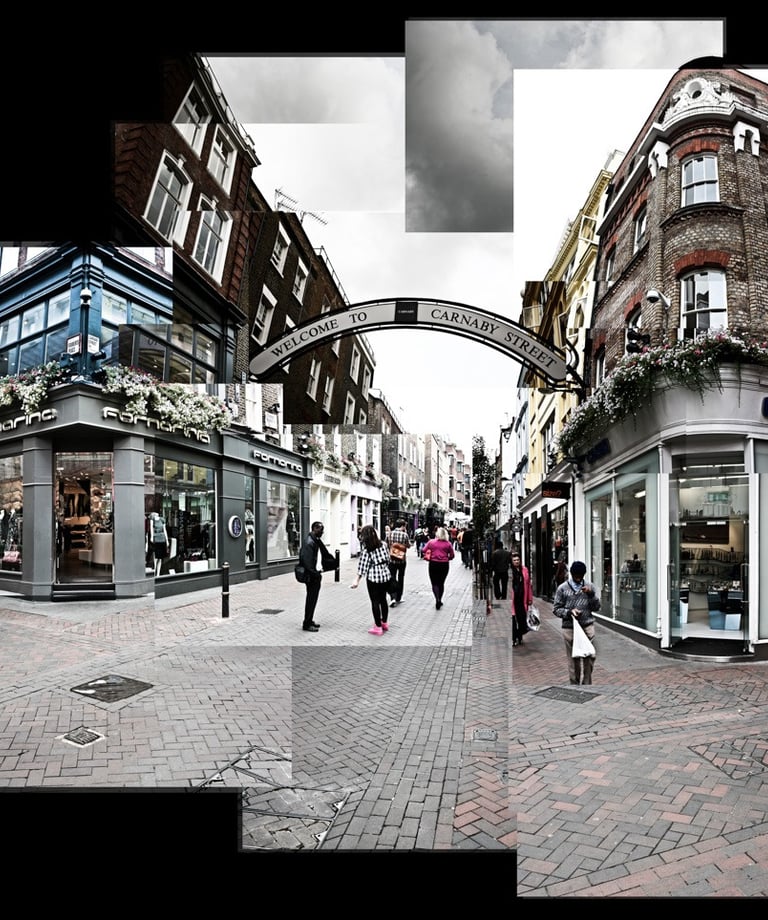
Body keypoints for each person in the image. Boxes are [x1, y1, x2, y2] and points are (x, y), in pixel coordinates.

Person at [553, 560, 601, 685]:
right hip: (570, 627)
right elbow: (556, 609)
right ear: (572, 574)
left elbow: (597, 607)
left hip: (587, 626)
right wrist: (569, 612)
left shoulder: (589, 586)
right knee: (574, 659)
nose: (578, 579)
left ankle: (587, 684)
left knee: (590, 656)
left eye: (581, 576)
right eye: (576, 576)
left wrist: (591, 595)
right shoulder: (562, 589)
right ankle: (574, 684)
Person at [350, 524, 392, 635]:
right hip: (385, 576)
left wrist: (356, 581)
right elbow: (388, 559)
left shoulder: (366, 551)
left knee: (375, 601)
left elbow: (362, 568)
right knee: (383, 600)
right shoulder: (383, 544)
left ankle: (377, 627)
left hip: (373, 578)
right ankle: (384, 623)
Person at [298, 521, 336, 632]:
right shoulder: (309, 542)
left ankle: (309, 620)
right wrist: (315, 574)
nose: (322, 532)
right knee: (311, 599)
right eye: (321, 529)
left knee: (312, 599)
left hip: (314, 575)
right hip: (312, 577)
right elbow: (307, 562)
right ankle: (307, 623)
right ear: (315, 528)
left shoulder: (315, 540)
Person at [422, 526, 455, 609]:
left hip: (433, 564)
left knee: (434, 583)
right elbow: (452, 555)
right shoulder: (448, 544)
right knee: (441, 583)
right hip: (444, 565)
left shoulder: (431, 542)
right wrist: (447, 558)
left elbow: (423, 550)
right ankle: (440, 599)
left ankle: (437, 599)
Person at [386, 518, 411, 607]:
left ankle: (392, 597)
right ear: (403, 526)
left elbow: (387, 544)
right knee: (401, 578)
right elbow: (408, 545)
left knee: (392, 577)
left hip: (392, 559)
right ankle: (399, 597)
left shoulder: (390, 534)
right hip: (401, 560)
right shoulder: (405, 535)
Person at [510, 552, 533, 646]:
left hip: (522, 598)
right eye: (514, 560)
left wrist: (530, 598)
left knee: (522, 619)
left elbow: (528, 585)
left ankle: (520, 636)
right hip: (514, 599)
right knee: (514, 619)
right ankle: (514, 639)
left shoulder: (524, 570)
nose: (516, 562)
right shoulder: (511, 571)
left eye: (518, 560)